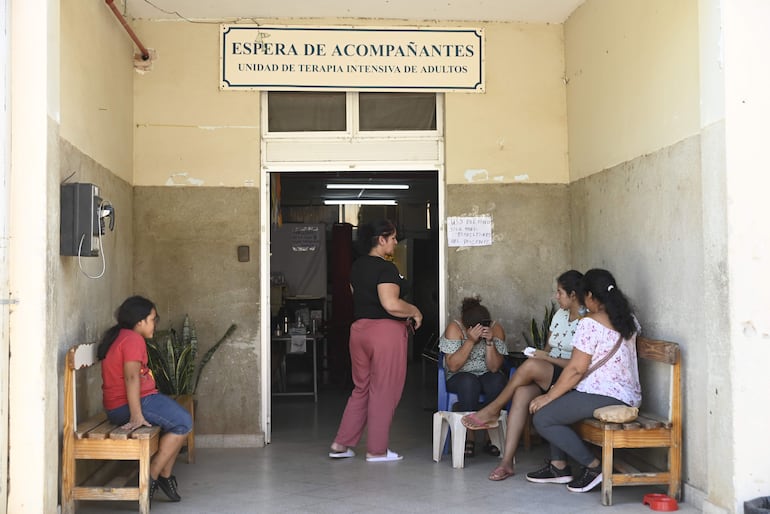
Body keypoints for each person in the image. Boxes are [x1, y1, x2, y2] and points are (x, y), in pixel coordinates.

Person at [525, 268, 641, 493]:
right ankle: (558, 467)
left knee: (543, 417)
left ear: (589, 295)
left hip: (605, 394)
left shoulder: (590, 323)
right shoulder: (629, 320)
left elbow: (576, 369)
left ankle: (594, 467)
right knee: (557, 404)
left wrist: (549, 395)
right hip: (625, 393)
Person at [460, 270, 584, 480]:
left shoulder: (587, 319)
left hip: (572, 375)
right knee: (522, 392)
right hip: (552, 372)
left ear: (573, 295)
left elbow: (577, 364)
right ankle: (506, 462)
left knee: (529, 367)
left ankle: (493, 408)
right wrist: (542, 356)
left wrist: (544, 358)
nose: (556, 297)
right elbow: (548, 348)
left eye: (560, 292)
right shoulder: (560, 315)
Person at [328, 219, 423, 462]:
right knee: (384, 390)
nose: (394, 242)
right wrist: (414, 310)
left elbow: (356, 296)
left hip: (359, 331)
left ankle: (342, 444)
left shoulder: (357, 267)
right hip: (385, 333)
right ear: (381, 239)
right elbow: (390, 304)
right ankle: (377, 450)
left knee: (362, 388)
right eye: (392, 238)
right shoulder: (386, 268)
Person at [98, 296, 193, 502]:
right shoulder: (132, 339)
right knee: (183, 422)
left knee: (178, 421)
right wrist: (136, 415)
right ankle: (151, 476)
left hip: (131, 402)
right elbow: (132, 377)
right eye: (153, 319)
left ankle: (164, 477)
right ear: (139, 321)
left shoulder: (123, 336)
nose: (155, 324)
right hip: (131, 404)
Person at [439, 296, 508, 458]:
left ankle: (489, 438)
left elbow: (494, 367)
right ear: (466, 324)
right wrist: (470, 341)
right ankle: (469, 436)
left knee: (497, 380)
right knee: (469, 382)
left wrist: (490, 342)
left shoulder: (495, 329)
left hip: (485, 373)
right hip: (459, 376)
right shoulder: (455, 328)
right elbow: (453, 366)